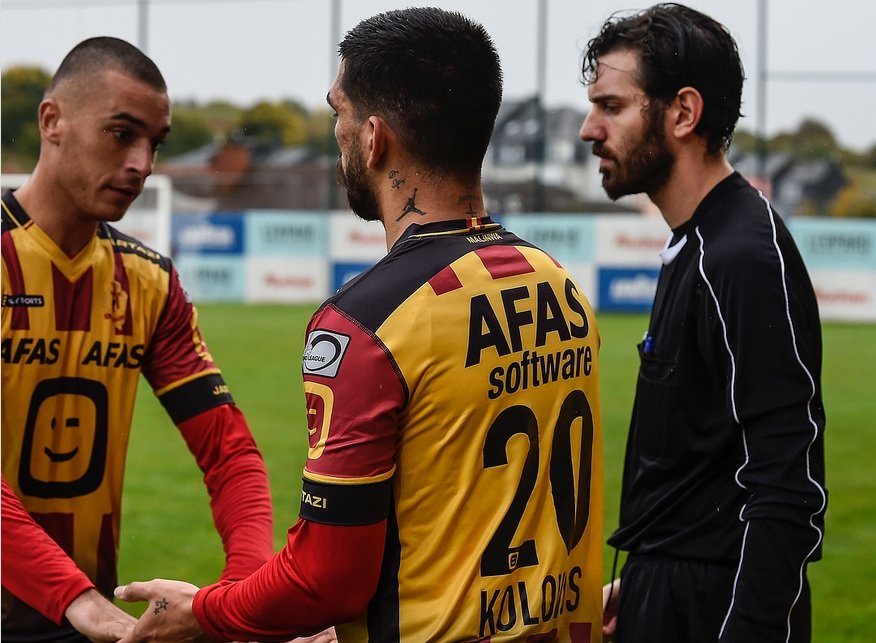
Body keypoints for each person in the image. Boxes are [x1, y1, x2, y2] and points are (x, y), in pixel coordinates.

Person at [114, 7, 605, 642]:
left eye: (337, 112)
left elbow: (326, 579)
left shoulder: (365, 325)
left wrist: (203, 611)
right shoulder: (560, 286)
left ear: (374, 138)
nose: (336, 132)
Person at [1, 36, 275, 642]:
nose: (143, 163)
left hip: (78, 621)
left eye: (156, 143)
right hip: (73, 606)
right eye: (122, 134)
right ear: (51, 121)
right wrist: (77, 597)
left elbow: (230, 454)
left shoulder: (149, 282)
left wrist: (245, 593)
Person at [577, 4, 827, 642]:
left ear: (683, 113)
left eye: (611, 107)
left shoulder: (740, 257)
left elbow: (787, 487)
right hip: (670, 596)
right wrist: (645, 585)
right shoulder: (697, 241)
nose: (588, 129)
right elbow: (705, 467)